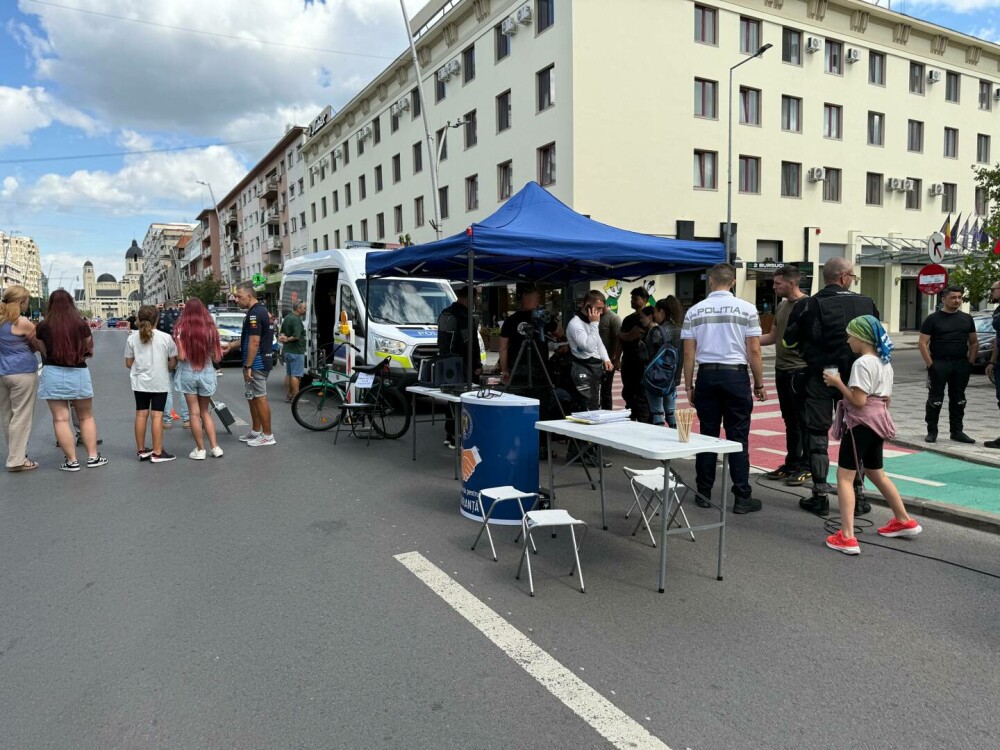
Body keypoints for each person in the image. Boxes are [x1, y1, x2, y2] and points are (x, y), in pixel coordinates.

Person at [783, 257, 879, 515]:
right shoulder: (866, 302)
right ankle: (858, 497)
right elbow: (879, 341)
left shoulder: (810, 304)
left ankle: (820, 495)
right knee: (857, 433)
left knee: (817, 434)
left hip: (822, 376)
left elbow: (789, 342)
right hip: (859, 377)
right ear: (845, 277)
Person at [822, 315, 922, 554]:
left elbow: (858, 400)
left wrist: (837, 383)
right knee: (876, 472)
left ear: (861, 337)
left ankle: (847, 536)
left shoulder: (862, 363)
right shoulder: (885, 362)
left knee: (845, 477)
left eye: (850, 336)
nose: (848, 341)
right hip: (879, 422)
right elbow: (886, 398)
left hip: (862, 423)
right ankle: (903, 519)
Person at [681, 263, 766, 514]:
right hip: (736, 377)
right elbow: (754, 350)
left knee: (707, 436)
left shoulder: (694, 312)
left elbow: (688, 353)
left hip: (707, 376)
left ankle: (703, 493)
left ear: (710, 281)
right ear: (733, 282)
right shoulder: (747, 309)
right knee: (738, 437)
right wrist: (759, 383)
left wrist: (688, 386)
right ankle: (741, 497)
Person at [34, 289, 107, 470]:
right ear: (71, 303)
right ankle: (92, 457)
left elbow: (43, 350)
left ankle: (72, 461)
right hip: (78, 372)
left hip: (52, 372)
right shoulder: (80, 324)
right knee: (86, 416)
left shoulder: (43, 326)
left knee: (60, 419)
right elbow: (87, 346)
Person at [759, 265, 810, 485]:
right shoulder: (781, 306)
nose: (774, 286)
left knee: (804, 420)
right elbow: (772, 336)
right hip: (782, 370)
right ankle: (792, 462)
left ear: (792, 283)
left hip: (800, 371)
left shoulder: (809, 305)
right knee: (790, 420)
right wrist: (747, 340)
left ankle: (807, 465)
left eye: (777, 283)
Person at [918, 285, 977, 444]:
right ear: (944, 299)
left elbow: (974, 342)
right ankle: (932, 431)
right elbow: (922, 343)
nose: (957, 300)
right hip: (939, 363)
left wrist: (969, 362)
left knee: (959, 399)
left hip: (960, 364)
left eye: (959, 297)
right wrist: (931, 365)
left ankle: (957, 431)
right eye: (953, 297)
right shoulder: (933, 319)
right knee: (935, 399)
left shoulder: (967, 318)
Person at [173, 298, 225, 459]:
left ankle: (200, 450)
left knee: (193, 414)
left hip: (188, 372)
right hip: (207, 371)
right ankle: (215, 447)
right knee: (205, 412)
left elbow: (181, 356)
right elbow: (217, 357)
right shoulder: (211, 328)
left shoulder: (180, 329)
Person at [125, 305, 177, 463]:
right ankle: (157, 452)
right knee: (157, 416)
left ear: (139, 319)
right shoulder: (165, 338)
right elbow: (173, 361)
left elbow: (128, 363)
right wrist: (167, 367)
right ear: (157, 319)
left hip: (139, 382)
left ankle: (141, 450)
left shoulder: (132, 338)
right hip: (159, 381)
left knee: (141, 414)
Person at [225, 282, 275, 446]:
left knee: (260, 397)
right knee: (252, 397)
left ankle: (267, 436)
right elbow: (247, 339)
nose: (236, 300)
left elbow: (254, 342)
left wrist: (248, 366)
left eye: (239, 297)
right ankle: (256, 431)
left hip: (257, 363)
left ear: (249, 296)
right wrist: (231, 346)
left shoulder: (255, 314)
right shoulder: (255, 312)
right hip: (254, 362)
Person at [0, 285, 41, 472]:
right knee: (21, 416)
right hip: (22, 372)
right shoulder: (22, 322)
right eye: (26, 302)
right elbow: (39, 344)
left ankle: (16, 454)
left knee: (7, 416)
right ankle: (17, 460)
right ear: (21, 302)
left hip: (2, 373)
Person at [436, 285, 482, 448]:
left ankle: (450, 434)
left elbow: (440, 340)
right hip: (462, 364)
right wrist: (477, 364)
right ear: (470, 298)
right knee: (463, 400)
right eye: (475, 299)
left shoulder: (444, 313)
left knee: (450, 399)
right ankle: (458, 437)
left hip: (445, 363)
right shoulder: (464, 316)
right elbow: (470, 343)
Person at [566, 290, 614, 411]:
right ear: (587, 305)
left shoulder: (590, 322)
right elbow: (589, 347)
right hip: (582, 368)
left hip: (594, 368)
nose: (601, 312)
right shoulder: (575, 324)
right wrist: (594, 324)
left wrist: (606, 358)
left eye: (602, 308)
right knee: (586, 406)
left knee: (594, 403)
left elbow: (598, 342)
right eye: (598, 308)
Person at [641, 297, 683, 427]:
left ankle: (658, 441)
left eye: (655, 312)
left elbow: (646, 356)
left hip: (657, 378)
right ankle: (675, 436)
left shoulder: (656, 331)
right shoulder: (681, 330)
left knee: (657, 412)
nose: (654, 315)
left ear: (662, 312)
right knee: (671, 411)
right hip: (673, 378)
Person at [617, 286, 650, 421]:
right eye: (631, 298)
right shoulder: (628, 319)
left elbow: (631, 336)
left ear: (644, 300)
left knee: (641, 394)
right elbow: (621, 340)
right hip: (628, 360)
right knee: (628, 392)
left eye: (635, 299)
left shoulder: (647, 317)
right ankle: (632, 415)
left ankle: (643, 420)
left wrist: (620, 334)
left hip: (641, 362)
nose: (632, 301)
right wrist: (616, 358)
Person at [157, 299, 189, 429]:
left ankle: (167, 421)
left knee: (167, 389)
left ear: (163, 306)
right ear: (177, 306)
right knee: (182, 389)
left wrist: (155, 309)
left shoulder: (159, 317)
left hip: (165, 356)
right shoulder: (184, 315)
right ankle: (186, 420)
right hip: (181, 354)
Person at [279, 299, 307, 402]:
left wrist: (283, 338)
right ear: (299, 308)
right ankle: (296, 397)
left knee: (289, 374)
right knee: (296, 375)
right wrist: (287, 339)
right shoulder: (296, 320)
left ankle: (288, 396)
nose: (306, 310)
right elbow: (296, 336)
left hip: (287, 350)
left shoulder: (287, 317)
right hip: (296, 351)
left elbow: (282, 332)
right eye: (304, 308)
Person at [984, 280, 1000, 449]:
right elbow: (997, 339)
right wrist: (992, 361)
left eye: (993, 289)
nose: (992, 292)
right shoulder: (998, 310)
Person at [598, 304, 622, 410]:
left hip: (608, 360)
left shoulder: (614, 318)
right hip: (595, 360)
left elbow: (618, 340)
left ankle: (607, 411)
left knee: (606, 390)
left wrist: (614, 358)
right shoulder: (596, 316)